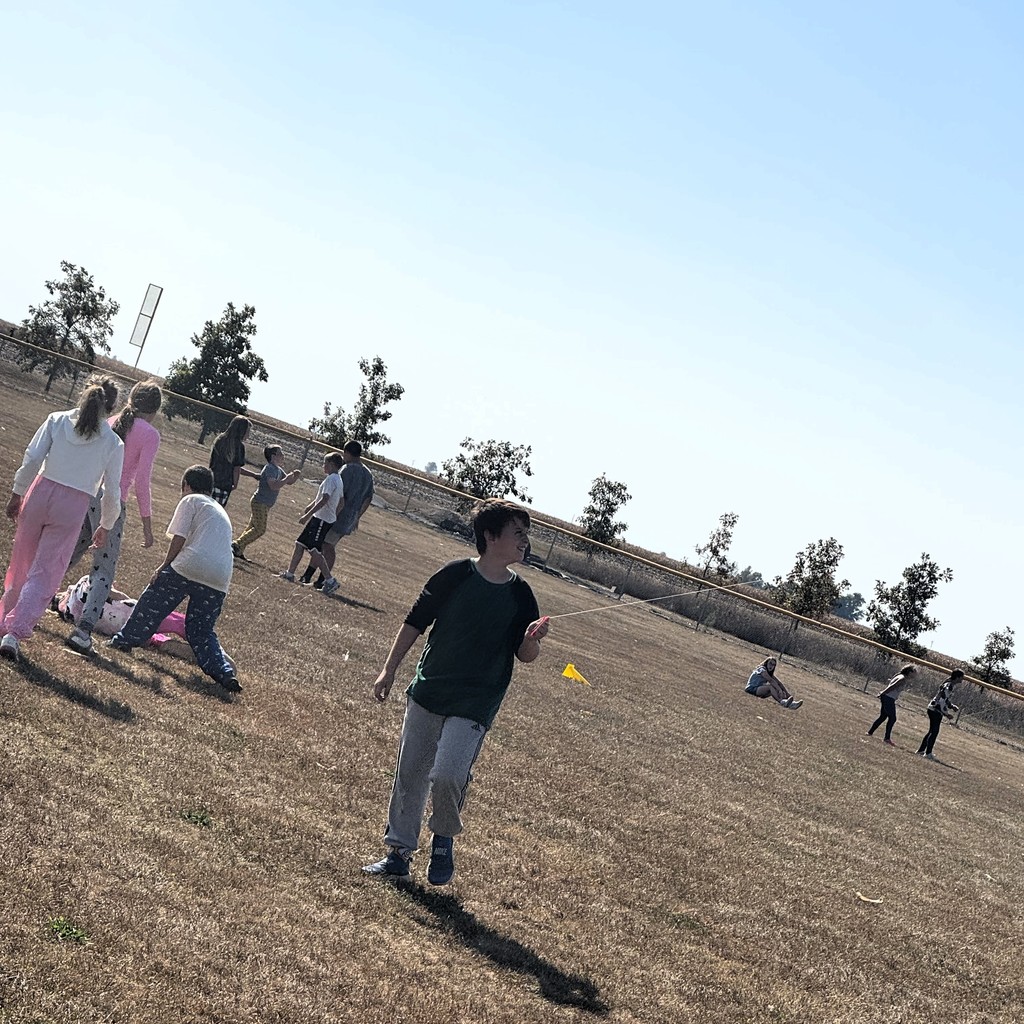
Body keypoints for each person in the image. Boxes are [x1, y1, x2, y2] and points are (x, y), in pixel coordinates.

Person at [362, 498, 549, 886]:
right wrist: (389, 670)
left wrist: (533, 640)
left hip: (476, 703)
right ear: (490, 536)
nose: (525, 541)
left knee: (448, 775)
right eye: (518, 533)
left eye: (526, 534)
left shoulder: (521, 596)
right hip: (430, 690)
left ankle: (443, 837)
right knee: (410, 775)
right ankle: (398, 854)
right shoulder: (454, 575)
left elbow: (526, 656)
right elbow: (414, 622)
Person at [1, 376, 124, 661]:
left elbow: (32, 458)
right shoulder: (112, 443)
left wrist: (17, 493)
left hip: (40, 492)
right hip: (73, 506)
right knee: (45, 571)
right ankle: (14, 631)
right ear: (111, 407)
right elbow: (113, 492)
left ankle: (4, 617)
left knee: (21, 563)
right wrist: (106, 525)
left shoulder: (56, 420)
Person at [107, 465, 239, 694]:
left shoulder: (191, 500)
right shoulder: (220, 510)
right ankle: (223, 672)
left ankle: (125, 639)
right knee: (201, 629)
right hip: (221, 575)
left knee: (152, 603)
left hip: (191, 565)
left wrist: (164, 567)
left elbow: (180, 538)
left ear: (186, 485)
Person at [65, 379, 163, 655]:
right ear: (154, 410)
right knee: (104, 569)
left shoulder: (111, 420)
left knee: (70, 551)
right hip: (111, 502)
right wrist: (147, 524)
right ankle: (83, 630)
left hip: (87, 492)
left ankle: (33, 599)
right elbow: (142, 481)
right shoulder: (150, 434)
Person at [300, 440, 374, 588]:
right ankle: (310, 576)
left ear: (347, 453)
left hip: (336, 515)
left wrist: (332, 513)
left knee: (325, 546)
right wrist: (357, 517)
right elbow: (368, 498)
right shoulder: (368, 473)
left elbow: (339, 494)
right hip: (350, 518)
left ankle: (321, 579)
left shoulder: (347, 469)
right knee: (323, 545)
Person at [279, 452, 343, 595]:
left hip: (321, 520)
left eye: (325, 463)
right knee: (300, 543)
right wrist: (311, 507)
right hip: (319, 517)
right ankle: (290, 573)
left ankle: (330, 581)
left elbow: (325, 499)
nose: (323, 466)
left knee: (314, 550)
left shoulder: (332, 479)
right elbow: (339, 501)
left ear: (332, 465)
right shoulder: (336, 479)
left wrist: (307, 515)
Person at [231, 445, 300, 560]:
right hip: (260, 502)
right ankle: (236, 544)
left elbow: (289, 482)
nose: (283, 456)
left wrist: (295, 477)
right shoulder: (269, 469)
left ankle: (239, 550)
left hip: (266, 504)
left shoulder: (278, 470)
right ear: (273, 456)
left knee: (252, 527)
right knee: (260, 529)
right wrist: (286, 479)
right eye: (280, 454)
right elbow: (273, 486)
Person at [209, 415, 260, 507]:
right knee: (215, 510)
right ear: (242, 431)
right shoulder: (239, 446)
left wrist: (254, 475)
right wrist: (235, 484)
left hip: (211, 479)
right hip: (224, 484)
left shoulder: (219, 440)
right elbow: (236, 469)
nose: (248, 435)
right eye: (247, 431)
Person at [867, 664, 918, 746]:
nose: (916, 674)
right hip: (888, 698)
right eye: (914, 672)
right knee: (892, 718)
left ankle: (870, 732)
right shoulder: (902, 678)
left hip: (888, 698)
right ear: (909, 672)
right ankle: (886, 738)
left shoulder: (901, 676)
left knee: (883, 717)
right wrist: (883, 692)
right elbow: (892, 686)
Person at [917, 670, 964, 760]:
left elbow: (945, 699)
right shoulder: (949, 686)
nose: (962, 679)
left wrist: (951, 706)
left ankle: (921, 750)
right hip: (935, 710)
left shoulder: (949, 684)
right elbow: (941, 701)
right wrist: (946, 714)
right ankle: (928, 753)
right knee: (934, 732)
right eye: (962, 677)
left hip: (933, 708)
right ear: (957, 677)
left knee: (932, 731)